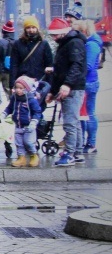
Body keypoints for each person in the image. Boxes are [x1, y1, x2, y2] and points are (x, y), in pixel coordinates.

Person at [46, 17, 87, 166]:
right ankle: (77, 152)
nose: (54, 38)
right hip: (72, 86)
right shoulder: (67, 43)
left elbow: (76, 66)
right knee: (74, 122)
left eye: (56, 35)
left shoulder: (73, 43)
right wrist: (53, 90)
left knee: (70, 122)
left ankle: (70, 153)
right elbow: (60, 70)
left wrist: (67, 85)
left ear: (63, 33)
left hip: (73, 88)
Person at [5, 76, 47, 168]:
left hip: (29, 126)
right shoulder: (14, 98)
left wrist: (34, 121)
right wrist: (4, 113)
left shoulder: (31, 100)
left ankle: (33, 155)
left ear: (26, 89)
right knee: (19, 143)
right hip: (18, 125)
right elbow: (10, 108)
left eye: (21, 88)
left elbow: (37, 112)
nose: (18, 90)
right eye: (16, 88)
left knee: (28, 142)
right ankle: (21, 158)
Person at [80, 18, 103, 156]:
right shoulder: (93, 43)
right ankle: (88, 142)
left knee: (88, 113)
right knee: (87, 113)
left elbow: (87, 66)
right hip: (90, 81)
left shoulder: (91, 45)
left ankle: (91, 143)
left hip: (89, 82)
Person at [10, 16, 54, 84]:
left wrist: (49, 85)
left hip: (40, 80)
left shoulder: (44, 44)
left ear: (37, 28)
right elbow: (14, 65)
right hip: (22, 82)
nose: (31, 30)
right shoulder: (18, 44)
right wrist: (12, 83)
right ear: (25, 29)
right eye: (28, 27)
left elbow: (49, 64)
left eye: (33, 27)